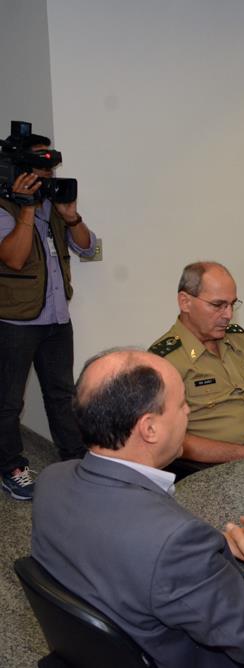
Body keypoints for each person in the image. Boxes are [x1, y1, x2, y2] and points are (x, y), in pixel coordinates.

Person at [31, 349, 244, 667]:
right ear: (149, 428)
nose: (188, 411)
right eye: (181, 404)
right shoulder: (174, 542)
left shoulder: (51, 481)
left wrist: (208, 553)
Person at [0, 128, 95, 500]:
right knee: (8, 401)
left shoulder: (54, 205)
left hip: (57, 319)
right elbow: (14, 258)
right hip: (15, 323)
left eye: (50, 168)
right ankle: (11, 467)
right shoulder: (6, 208)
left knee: (62, 393)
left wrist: (71, 217)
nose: (47, 175)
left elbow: (87, 248)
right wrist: (26, 209)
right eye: (40, 167)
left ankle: (75, 458)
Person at [150, 262, 244, 467]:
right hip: (218, 463)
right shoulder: (164, 361)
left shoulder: (239, 340)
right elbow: (168, 439)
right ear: (185, 302)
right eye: (217, 305)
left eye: (232, 304)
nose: (228, 315)